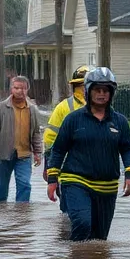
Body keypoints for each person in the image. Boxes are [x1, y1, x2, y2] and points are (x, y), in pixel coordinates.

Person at [46, 67, 130, 241]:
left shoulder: (120, 122)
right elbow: (58, 150)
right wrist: (52, 180)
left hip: (107, 187)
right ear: (88, 91)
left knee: (99, 239)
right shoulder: (73, 119)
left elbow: (128, 148)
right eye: (97, 90)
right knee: (82, 223)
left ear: (111, 93)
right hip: (76, 181)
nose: (101, 94)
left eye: (105, 90)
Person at [0, 75, 43, 203]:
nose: (19, 91)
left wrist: (38, 153)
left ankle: (21, 217)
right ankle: (2, 216)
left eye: (23, 88)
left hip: (24, 155)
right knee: (1, 188)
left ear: (27, 89)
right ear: (11, 89)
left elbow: (36, 133)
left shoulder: (32, 109)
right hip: (3, 155)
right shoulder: (1, 108)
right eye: (16, 88)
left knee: (25, 185)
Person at [44, 64, 90, 213]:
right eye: (81, 86)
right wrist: (50, 167)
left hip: (95, 171)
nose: (84, 90)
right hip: (67, 169)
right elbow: (50, 139)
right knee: (69, 212)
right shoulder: (63, 108)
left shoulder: (104, 109)